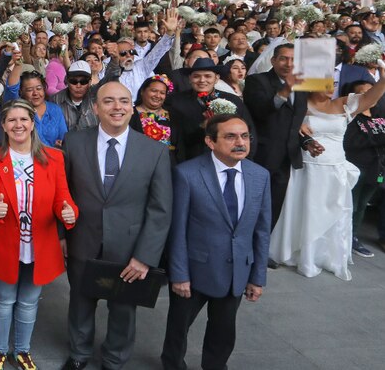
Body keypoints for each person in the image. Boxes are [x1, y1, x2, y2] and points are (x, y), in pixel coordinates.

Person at [60, 81, 172, 370]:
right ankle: (79, 353)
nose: (117, 107)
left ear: (132, 108)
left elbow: (160, 209)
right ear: (95, 108)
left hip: (129, 248)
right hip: (83, 241)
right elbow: (64, 193)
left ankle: (114, 359)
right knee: (80, 303)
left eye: (123, 101)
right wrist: (61, 237)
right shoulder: (74, 142)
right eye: (108, 101)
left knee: (123, 309)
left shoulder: (154, 151)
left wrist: (145, 256)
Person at [161, 115, 271, 370]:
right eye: (231, 137)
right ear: (211, 141)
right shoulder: (187, 174)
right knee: (178, 329)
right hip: (194, 270)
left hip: (236, 271)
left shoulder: (260, 176)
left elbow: (262, 231)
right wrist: (179, 274)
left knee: (223, 332)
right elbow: (177, 229)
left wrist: (257, 277)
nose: (240, 143)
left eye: (244, 136)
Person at [0, 99, 78, 370]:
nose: (18, 124)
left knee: (28, 302)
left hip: (40, 245)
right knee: (4, 301)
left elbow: (63, 198)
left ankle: (22, 350)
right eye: (12, 120)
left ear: (33, 124)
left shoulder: (54, 158)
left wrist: (69, 213)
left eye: (24, 119)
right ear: (3, 126)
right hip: (4, 243)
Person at [270, 60, 385, 280]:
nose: (330, 88)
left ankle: (327, 256)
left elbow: (372, 97)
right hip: (308, 166)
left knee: (335, 211)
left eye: (332, 84)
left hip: (336, 166)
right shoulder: (298, 107)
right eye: (324, 84)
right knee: (307, 210)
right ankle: (300, 253)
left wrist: (383, 78)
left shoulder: (344, 103)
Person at [244, 43, 309, 229]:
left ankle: (261, 252)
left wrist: (306, 141)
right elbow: (259, 112)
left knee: (273, 209)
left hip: (286, 157)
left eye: (293, 60)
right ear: (273, 60)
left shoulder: (303, 86)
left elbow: (294, 121)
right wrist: (284, 91)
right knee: (252, 207)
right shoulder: (257, 81)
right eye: (283, 58)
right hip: (261, 156)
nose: (289, 64)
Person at [166, 58, 255, 164]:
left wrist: (246, 161)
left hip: (228, 161)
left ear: (216, 78)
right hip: (189, 161)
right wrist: (202, 127)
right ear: (189, 78)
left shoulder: (232, 100)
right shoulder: (175, 101)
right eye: (196, 76)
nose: (202, 80)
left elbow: (249, 131)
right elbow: (173, 138)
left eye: (208, 76)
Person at [341, 81, 385, 257]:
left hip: (378, 169)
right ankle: (344, 237)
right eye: (365, 92)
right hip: (356, 168)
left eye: (372, 90)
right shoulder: (351, 117)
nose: (371, 94)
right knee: (351, 203)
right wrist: (378, 138)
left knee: (362, 205)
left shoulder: (379, 115)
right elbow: (352, 143)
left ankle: (354, 236)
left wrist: (375, 138)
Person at [129, 75, 177, 157]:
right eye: (154, 91)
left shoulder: (174, 115)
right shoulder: (130, 114)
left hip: (167, 162)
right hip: (140, 162)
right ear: (142, 91)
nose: (158, 96)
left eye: (162, 93)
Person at [18, 71, 68, 148]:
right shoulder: (19, 112)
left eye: (38, 88)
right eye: (29, 90)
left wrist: (61, 144)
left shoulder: (55, 109)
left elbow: (64, 138)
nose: (35, 93)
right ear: (21, 92)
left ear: (44, 89)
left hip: (54, 156)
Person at [50, 61, 98, 132]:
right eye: (73, 81)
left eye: (83, 81)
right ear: (67, 81)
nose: (78, 86)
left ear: (90, 82)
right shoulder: (55, 100)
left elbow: (111, 77)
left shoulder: (96, 96)